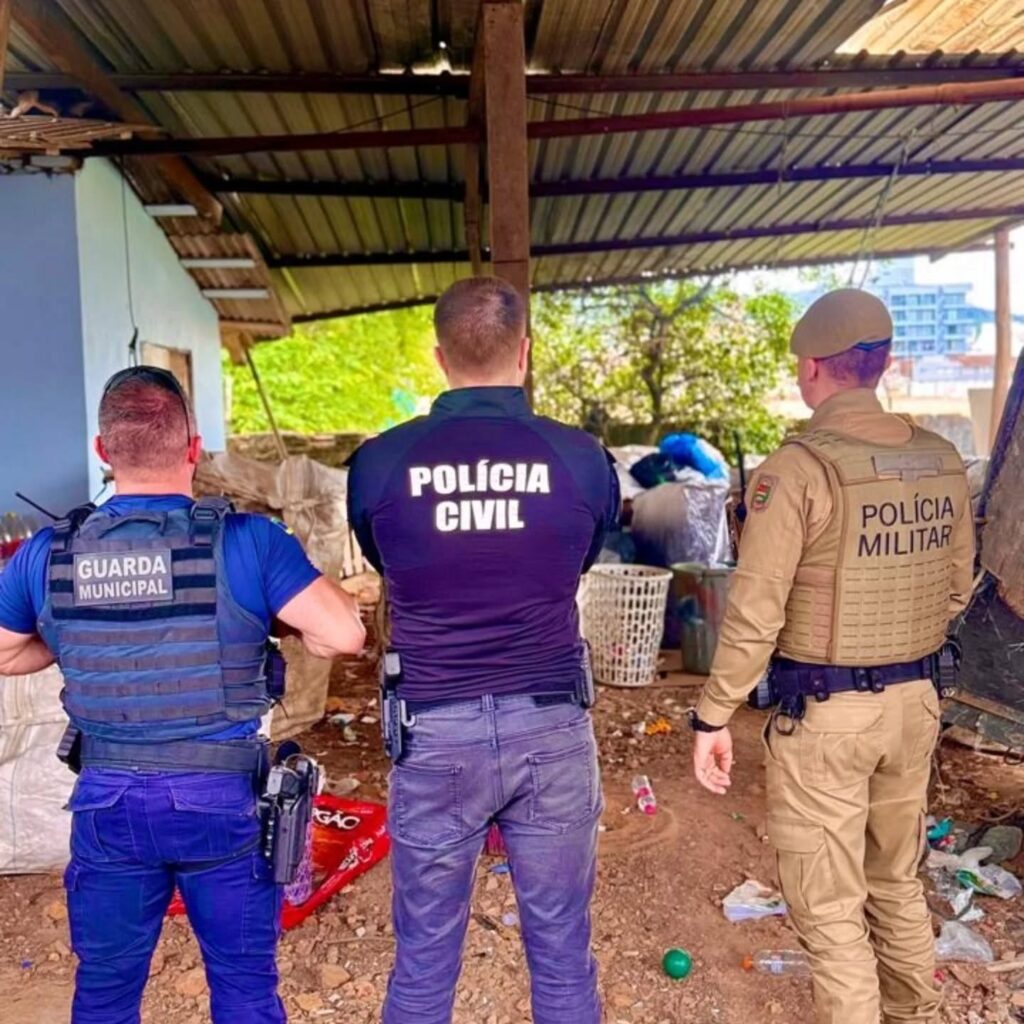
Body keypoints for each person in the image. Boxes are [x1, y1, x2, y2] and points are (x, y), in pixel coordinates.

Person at [0, 366, 366, 1024]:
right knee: (244, 991)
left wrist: (72, 636)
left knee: (105, 993)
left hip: (106, 803)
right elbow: (343, 634)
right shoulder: (249, 541)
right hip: (220, 803)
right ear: (194, 447)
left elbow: (4, 652)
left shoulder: (45, 554)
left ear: (103, 451)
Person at [691, 288, 975, 1024]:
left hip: (827, 717)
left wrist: (713, 714)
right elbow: (956, 588)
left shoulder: (797, 470)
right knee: (896, 882)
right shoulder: (941, 459)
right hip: (917, 704)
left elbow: (756, 613)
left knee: (831, 909)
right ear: (882, 363)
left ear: (812, 368)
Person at [347, 277, 619, 1024]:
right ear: (524, 353)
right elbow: (579, 559)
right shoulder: (581, 459)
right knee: (562, 949)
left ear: (440, 357)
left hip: (435, 728)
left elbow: (386, 560)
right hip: (552, 725)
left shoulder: (380, 464)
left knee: (424, 957)